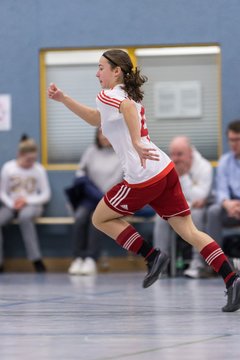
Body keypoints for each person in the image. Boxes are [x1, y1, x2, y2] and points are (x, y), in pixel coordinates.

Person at [48, 49, 240, 312]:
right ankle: (232, 279)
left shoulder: (112, 95)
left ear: (117, 71)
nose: (97, 73)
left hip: (142, 177)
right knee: (190, 231)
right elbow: (97, 119)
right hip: (165, 170)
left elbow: (124, 110)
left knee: (99, 218)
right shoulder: (126, 95)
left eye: (101, 67)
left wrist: (136, 141)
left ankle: (152, 256)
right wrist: (64, 99)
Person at [154, 136, 213, 278]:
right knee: (160, 217)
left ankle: (197, 263)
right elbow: (164, 195)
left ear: (190, 153)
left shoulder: (205, 167)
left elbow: (200, 196)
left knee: (197, 214)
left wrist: (184, 176)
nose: (175, 159)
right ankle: (159, 264)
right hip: (178, 207)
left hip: (196, 210)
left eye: (179, 154)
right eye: (172, 154)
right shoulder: (168, 167)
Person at [68, 128, 122, 275]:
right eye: (101, 133)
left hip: (112, 200)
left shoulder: (122, 153)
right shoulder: (91, 151)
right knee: (79, 218)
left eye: (108, 132)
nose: (104, 136)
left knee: (96, 220)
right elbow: (80, 172)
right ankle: (78, 258)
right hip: (91, 198)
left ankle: (91, 259)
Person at [0, 135, 51, 272]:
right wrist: (12, 204)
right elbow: (2, 192)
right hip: (11, 205)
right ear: (19, 155)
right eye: (28, 159)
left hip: (32, 205)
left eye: (34, 159)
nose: (31, 163)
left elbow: (46, 194)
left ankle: (36, 259)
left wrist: (26, 200)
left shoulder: (39, 169)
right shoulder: (8, 168)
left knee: (24, 217)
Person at [207, 120, 240, 247]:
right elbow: (221, 190)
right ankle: (217, 261)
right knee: (213, 211)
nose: (233, 144)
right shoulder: (225, 161)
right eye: (231, 140)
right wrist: (228, 204)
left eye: (237, 139)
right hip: (231, 209)